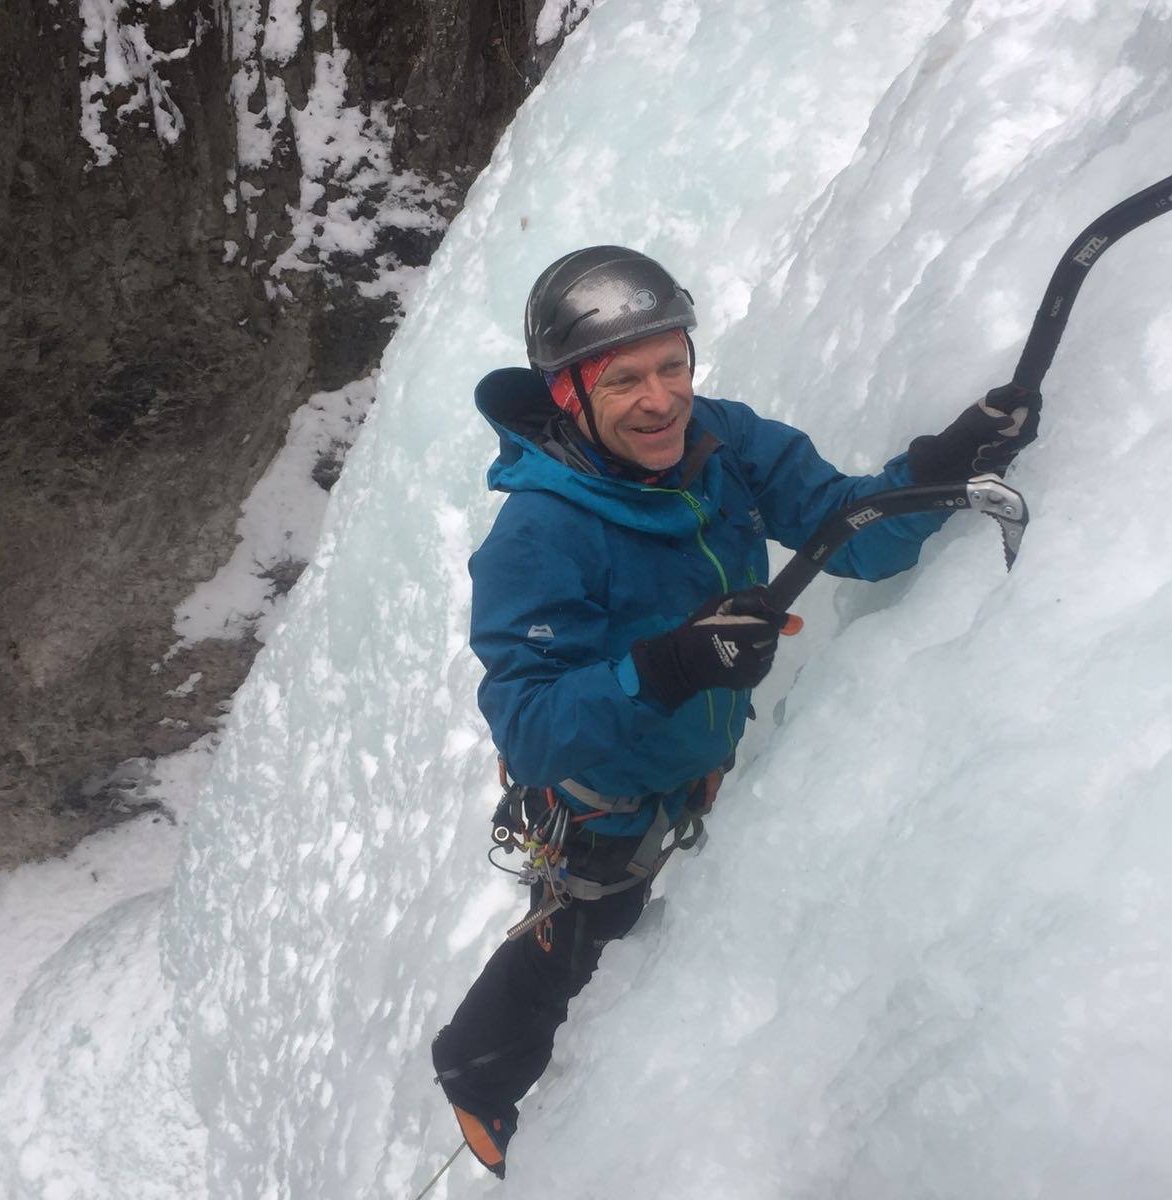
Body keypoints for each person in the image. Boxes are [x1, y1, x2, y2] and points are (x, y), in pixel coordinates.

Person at [431, 246, 1040, 1177]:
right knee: (583, 936)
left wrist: (946, 460)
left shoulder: (725, 445)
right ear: (567, 395)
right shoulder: (541, 534)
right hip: (606, 798)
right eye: (624, 379)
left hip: (695, 764)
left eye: (672, 364)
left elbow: (849, 531)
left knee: (614, 939)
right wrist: (671, 665)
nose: (660, 399)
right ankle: (475, 1071)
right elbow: (530, 723)